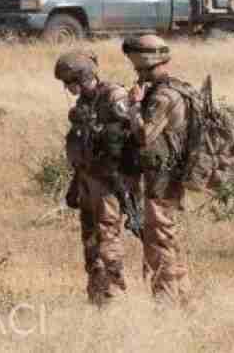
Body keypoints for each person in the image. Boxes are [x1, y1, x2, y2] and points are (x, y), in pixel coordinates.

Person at [54, 50, 132, 306]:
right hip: (88, 179)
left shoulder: (114, 96)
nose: (67, 88)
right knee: (90, 240)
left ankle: (115, 295)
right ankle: (98, 297)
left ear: (82, 76)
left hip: (109, 180)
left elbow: (129, 136)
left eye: (69, 82)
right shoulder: (84, 103)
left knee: (108, 236)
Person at [122, 35, 190, 306]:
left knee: (159, 239)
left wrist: (134, 105)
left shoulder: (162, 96)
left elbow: (144, 135)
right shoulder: (173, 88)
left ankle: (165, 300)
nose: (137, 74)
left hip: (162, 178)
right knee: (168, 237)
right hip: (166, 174)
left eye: (138, 69)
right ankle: (182, 296)